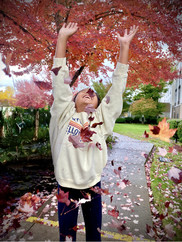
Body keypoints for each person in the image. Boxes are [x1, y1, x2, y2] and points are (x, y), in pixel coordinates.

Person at [49, 22, 138, 241]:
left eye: (93, 94)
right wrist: (62, 39)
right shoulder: (63, 114)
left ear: (98, 104)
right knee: (67, 237)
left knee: (93, 237)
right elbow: (60, 80)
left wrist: (124, 47)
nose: (89, 92)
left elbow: (117, 88)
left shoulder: (100, 119)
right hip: (66, 188)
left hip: (91, 186)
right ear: (72, 99)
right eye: (83, 92)